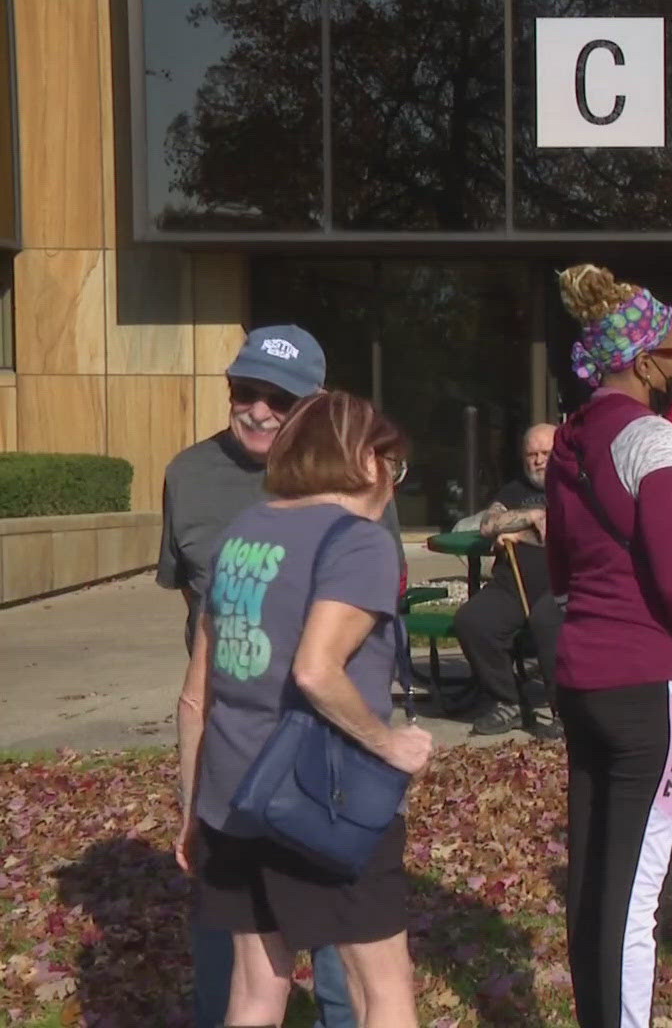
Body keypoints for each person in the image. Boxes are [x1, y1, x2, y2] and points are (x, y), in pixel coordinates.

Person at [174, 389, 434, 1028]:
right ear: (367, 461)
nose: (393, 482)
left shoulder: (242, 533)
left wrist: (191, 814)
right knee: (383, 990)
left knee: (256, 991)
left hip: (232, 797)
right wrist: (388, 743)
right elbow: (317, 671)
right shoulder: (360, 542)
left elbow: (193, 696)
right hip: (326, 800)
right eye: (393, 465)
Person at [158, 324, 383, 1028]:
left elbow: (358, 637)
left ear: (312, 407)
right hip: (231, 763)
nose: (256, 410)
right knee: (231, 971)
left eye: (277, 400)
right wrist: (192, 800)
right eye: (244, 392)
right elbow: (196, 653)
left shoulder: (356, 481)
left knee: (348, 970)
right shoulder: (188, 476)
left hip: (324, 770)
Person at [547, 264, 672, 1028]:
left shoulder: (571, 441)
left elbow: (562, 569)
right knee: (635, 897)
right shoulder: (654, 439)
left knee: (596, 880)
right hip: (654, 687)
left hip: (585, 679)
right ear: (640, 360)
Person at [454, 424, 563, 740]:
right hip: (512, 585)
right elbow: (489, 524)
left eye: (546, 453)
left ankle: (564, 712)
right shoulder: (514, 491)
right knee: (473, 620)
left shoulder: (575, 487)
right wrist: (529, 517)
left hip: (560, 585)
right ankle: (507, 702)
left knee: (549, 622)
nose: (538, 461)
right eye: (531, 455)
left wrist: (521, 535)